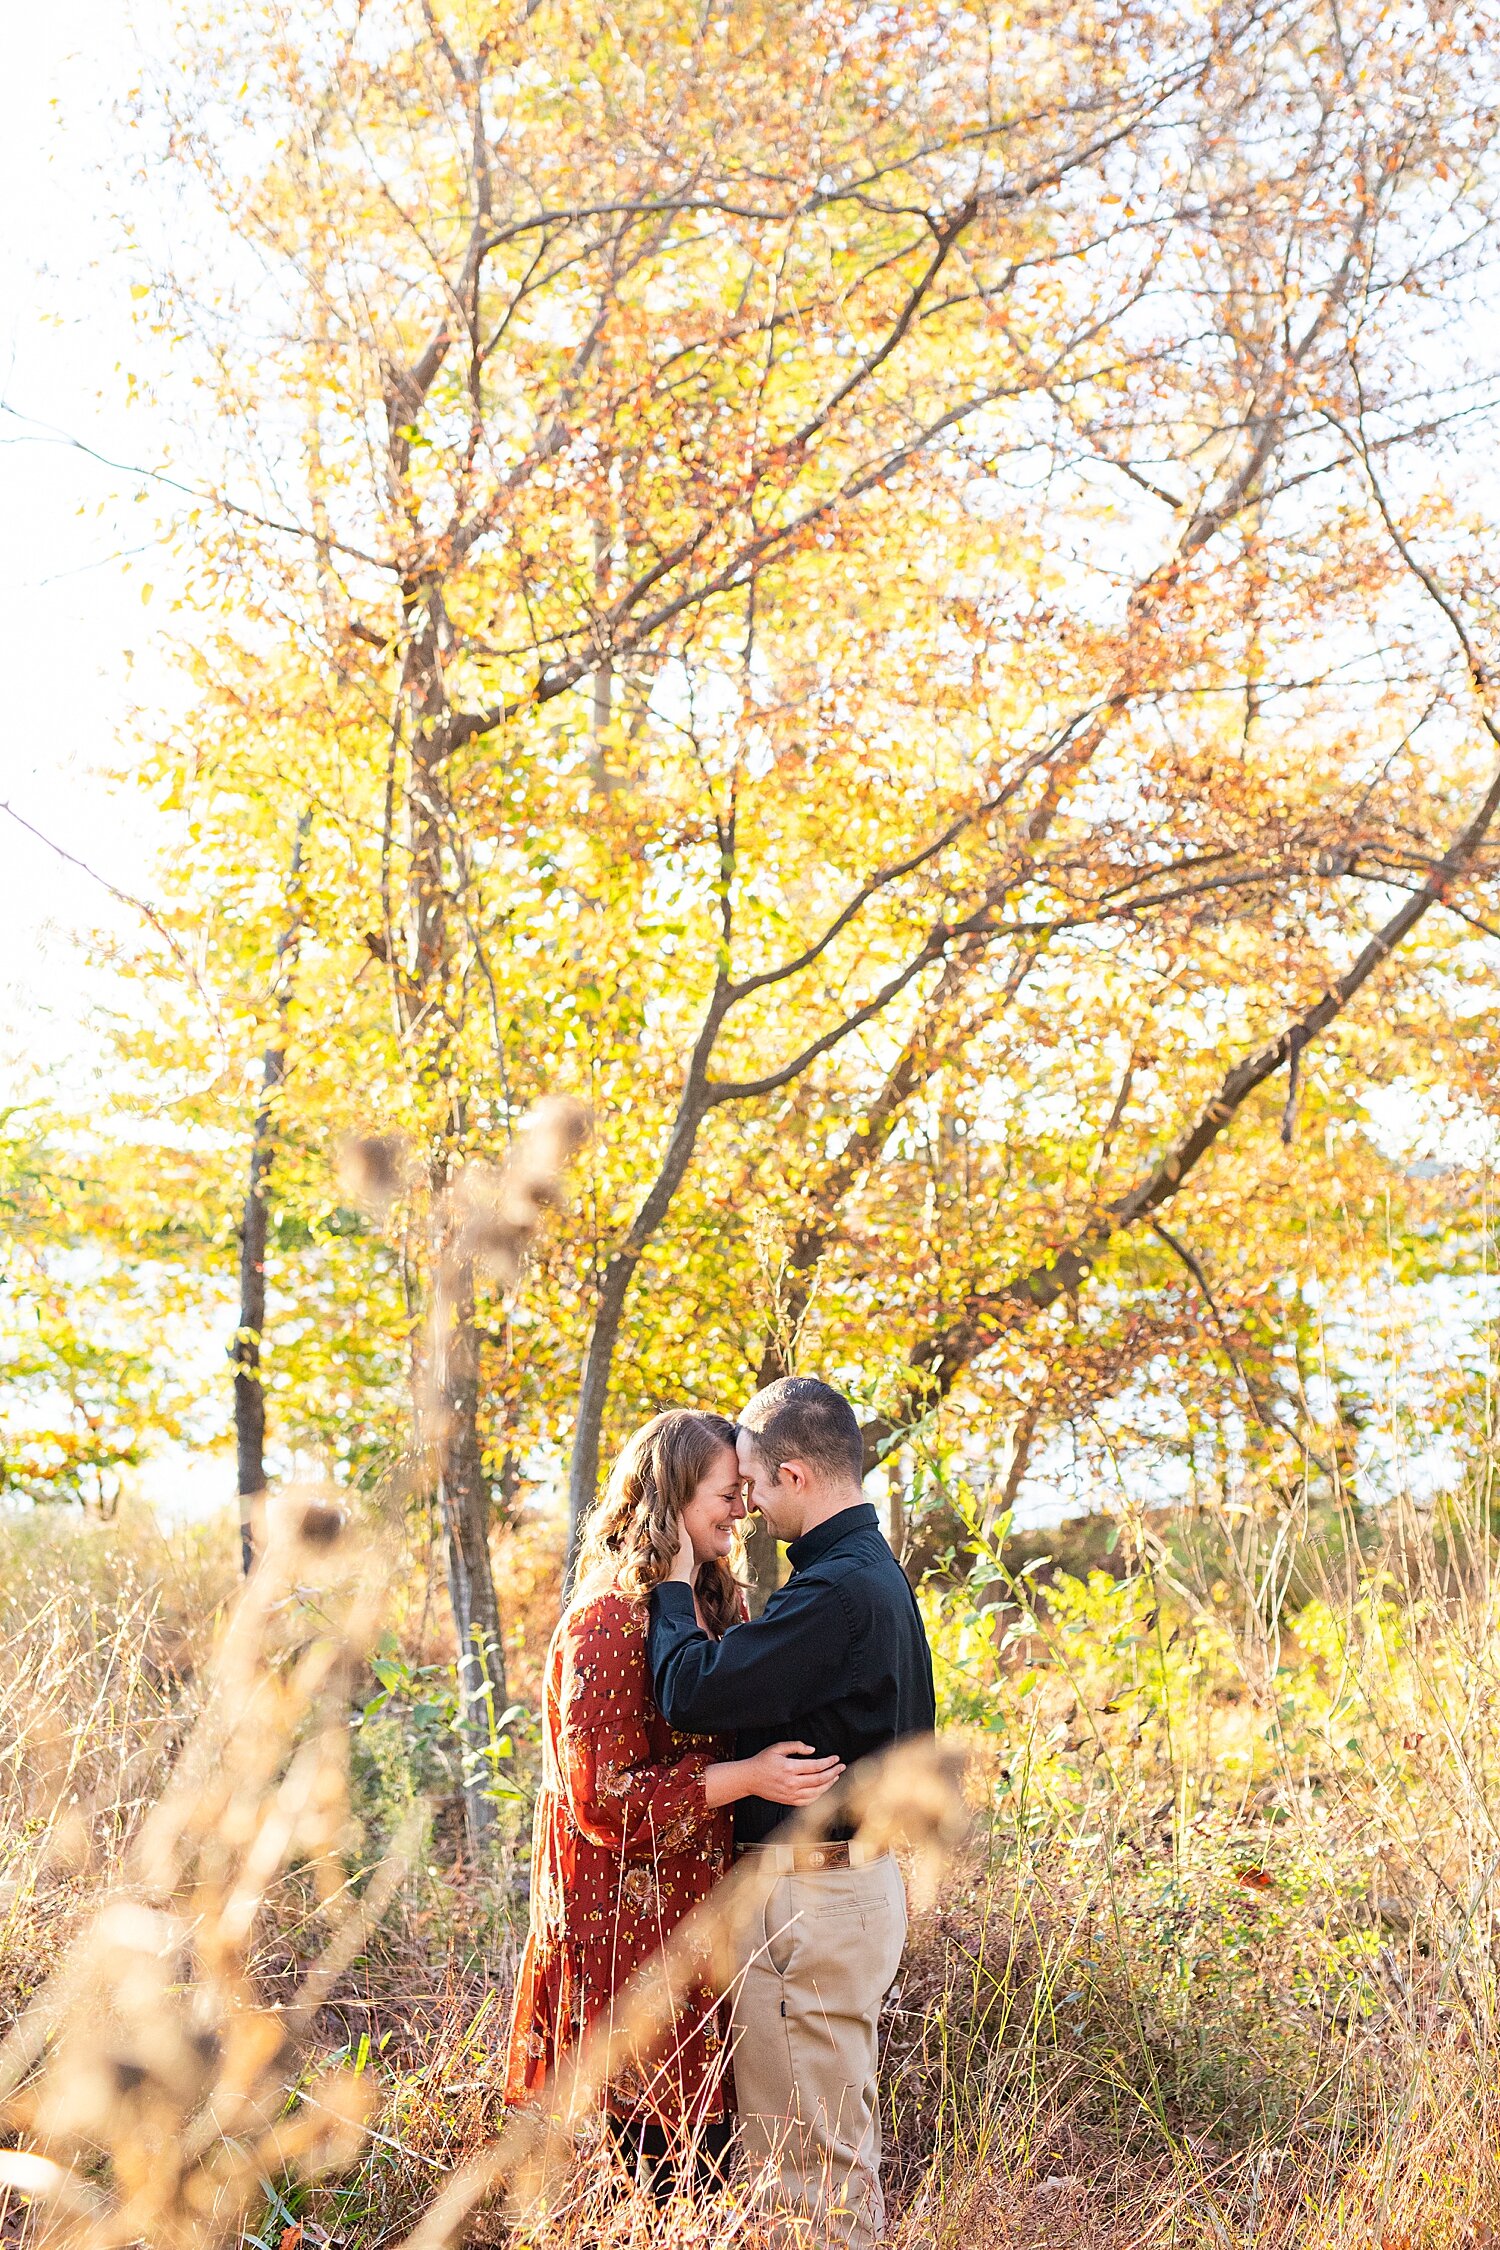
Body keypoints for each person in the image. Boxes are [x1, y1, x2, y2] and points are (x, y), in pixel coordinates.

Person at [504, 1406, 843, 2205]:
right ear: (674, 1496)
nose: (744, 1508)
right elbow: (602, 1798)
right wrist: (750, 1776)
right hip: (628, 1945)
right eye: (728, 1492)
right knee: (665, 2181)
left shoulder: (716, 1606)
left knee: (710, 2174)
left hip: (701, 1933)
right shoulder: (610, 1619)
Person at [648, 1375, 937, 2250]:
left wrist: (669, 1586)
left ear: (798, 1475)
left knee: (802, 2175)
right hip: (858, 1889)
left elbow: (689, 1689)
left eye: (756, 1485)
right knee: (831, 2152)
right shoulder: (874, 1577)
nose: (750, 1507)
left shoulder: (835, 1596)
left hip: (814, 1905)